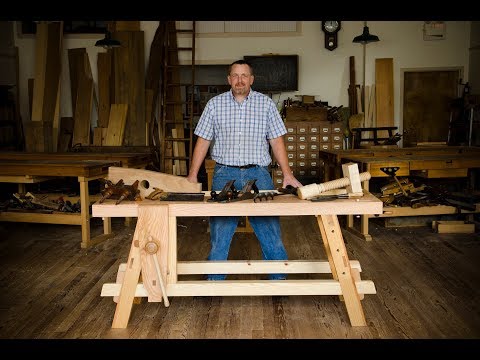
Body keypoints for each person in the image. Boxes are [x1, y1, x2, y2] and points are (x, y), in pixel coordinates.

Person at [186, 59, 302, 280]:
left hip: (258, 173)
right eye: (235, 76)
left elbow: (276, 140)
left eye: (244, 75)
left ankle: (279, 279)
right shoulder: (214, 105)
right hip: (224, 173)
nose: (240, 80)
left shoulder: (266, 104)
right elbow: (203, 140)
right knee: (220, 230)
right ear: (229, 79)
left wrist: (287, 174)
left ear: (251, 79)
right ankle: (214, 281)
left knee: (269, 228)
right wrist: (192, 176)